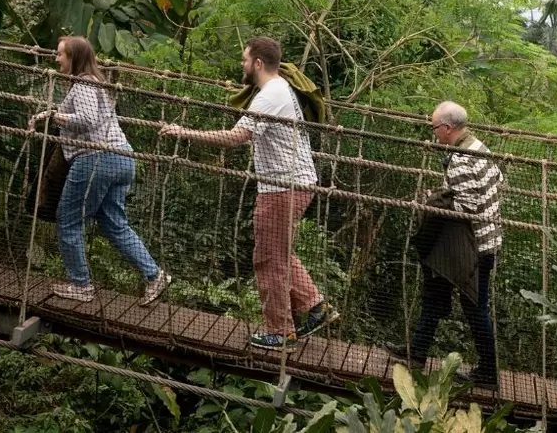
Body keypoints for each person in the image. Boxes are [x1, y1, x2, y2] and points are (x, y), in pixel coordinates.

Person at [160, 37, 336, 351]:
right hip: (294, 183)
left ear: (257, 63)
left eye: (244, 60)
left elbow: (236, 137)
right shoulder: (279, 90)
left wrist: (183, 133)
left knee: (267, 259)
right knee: (278, 252)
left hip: (283, 186)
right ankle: (315, 306)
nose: (241, 65)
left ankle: (281, 332)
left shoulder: (271, 94)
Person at [31, 36, 170, 306]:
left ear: (74, 58)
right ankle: (154, 275)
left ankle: (80, 285)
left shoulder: (82, 82)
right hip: (122, 159)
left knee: (68, 220)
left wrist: (55, 117)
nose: (56, 59)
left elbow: (86, 119)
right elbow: (86, 115)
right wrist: (48, 115)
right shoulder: (96, 83)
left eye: (60, 54)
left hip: (95, 158)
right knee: (113, 224)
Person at [387, 101, 502, 391]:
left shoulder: (461, 158)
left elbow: (468, 205)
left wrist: (435, 199)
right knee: (436, 295)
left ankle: (488, 372)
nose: (433, 133)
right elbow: (498, 179)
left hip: (473, 247)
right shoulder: (478, 146)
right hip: (478, 241)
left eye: (435, 127)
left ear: (447, 128)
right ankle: (417, 352)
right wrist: (444, 194)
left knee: (475, 308)